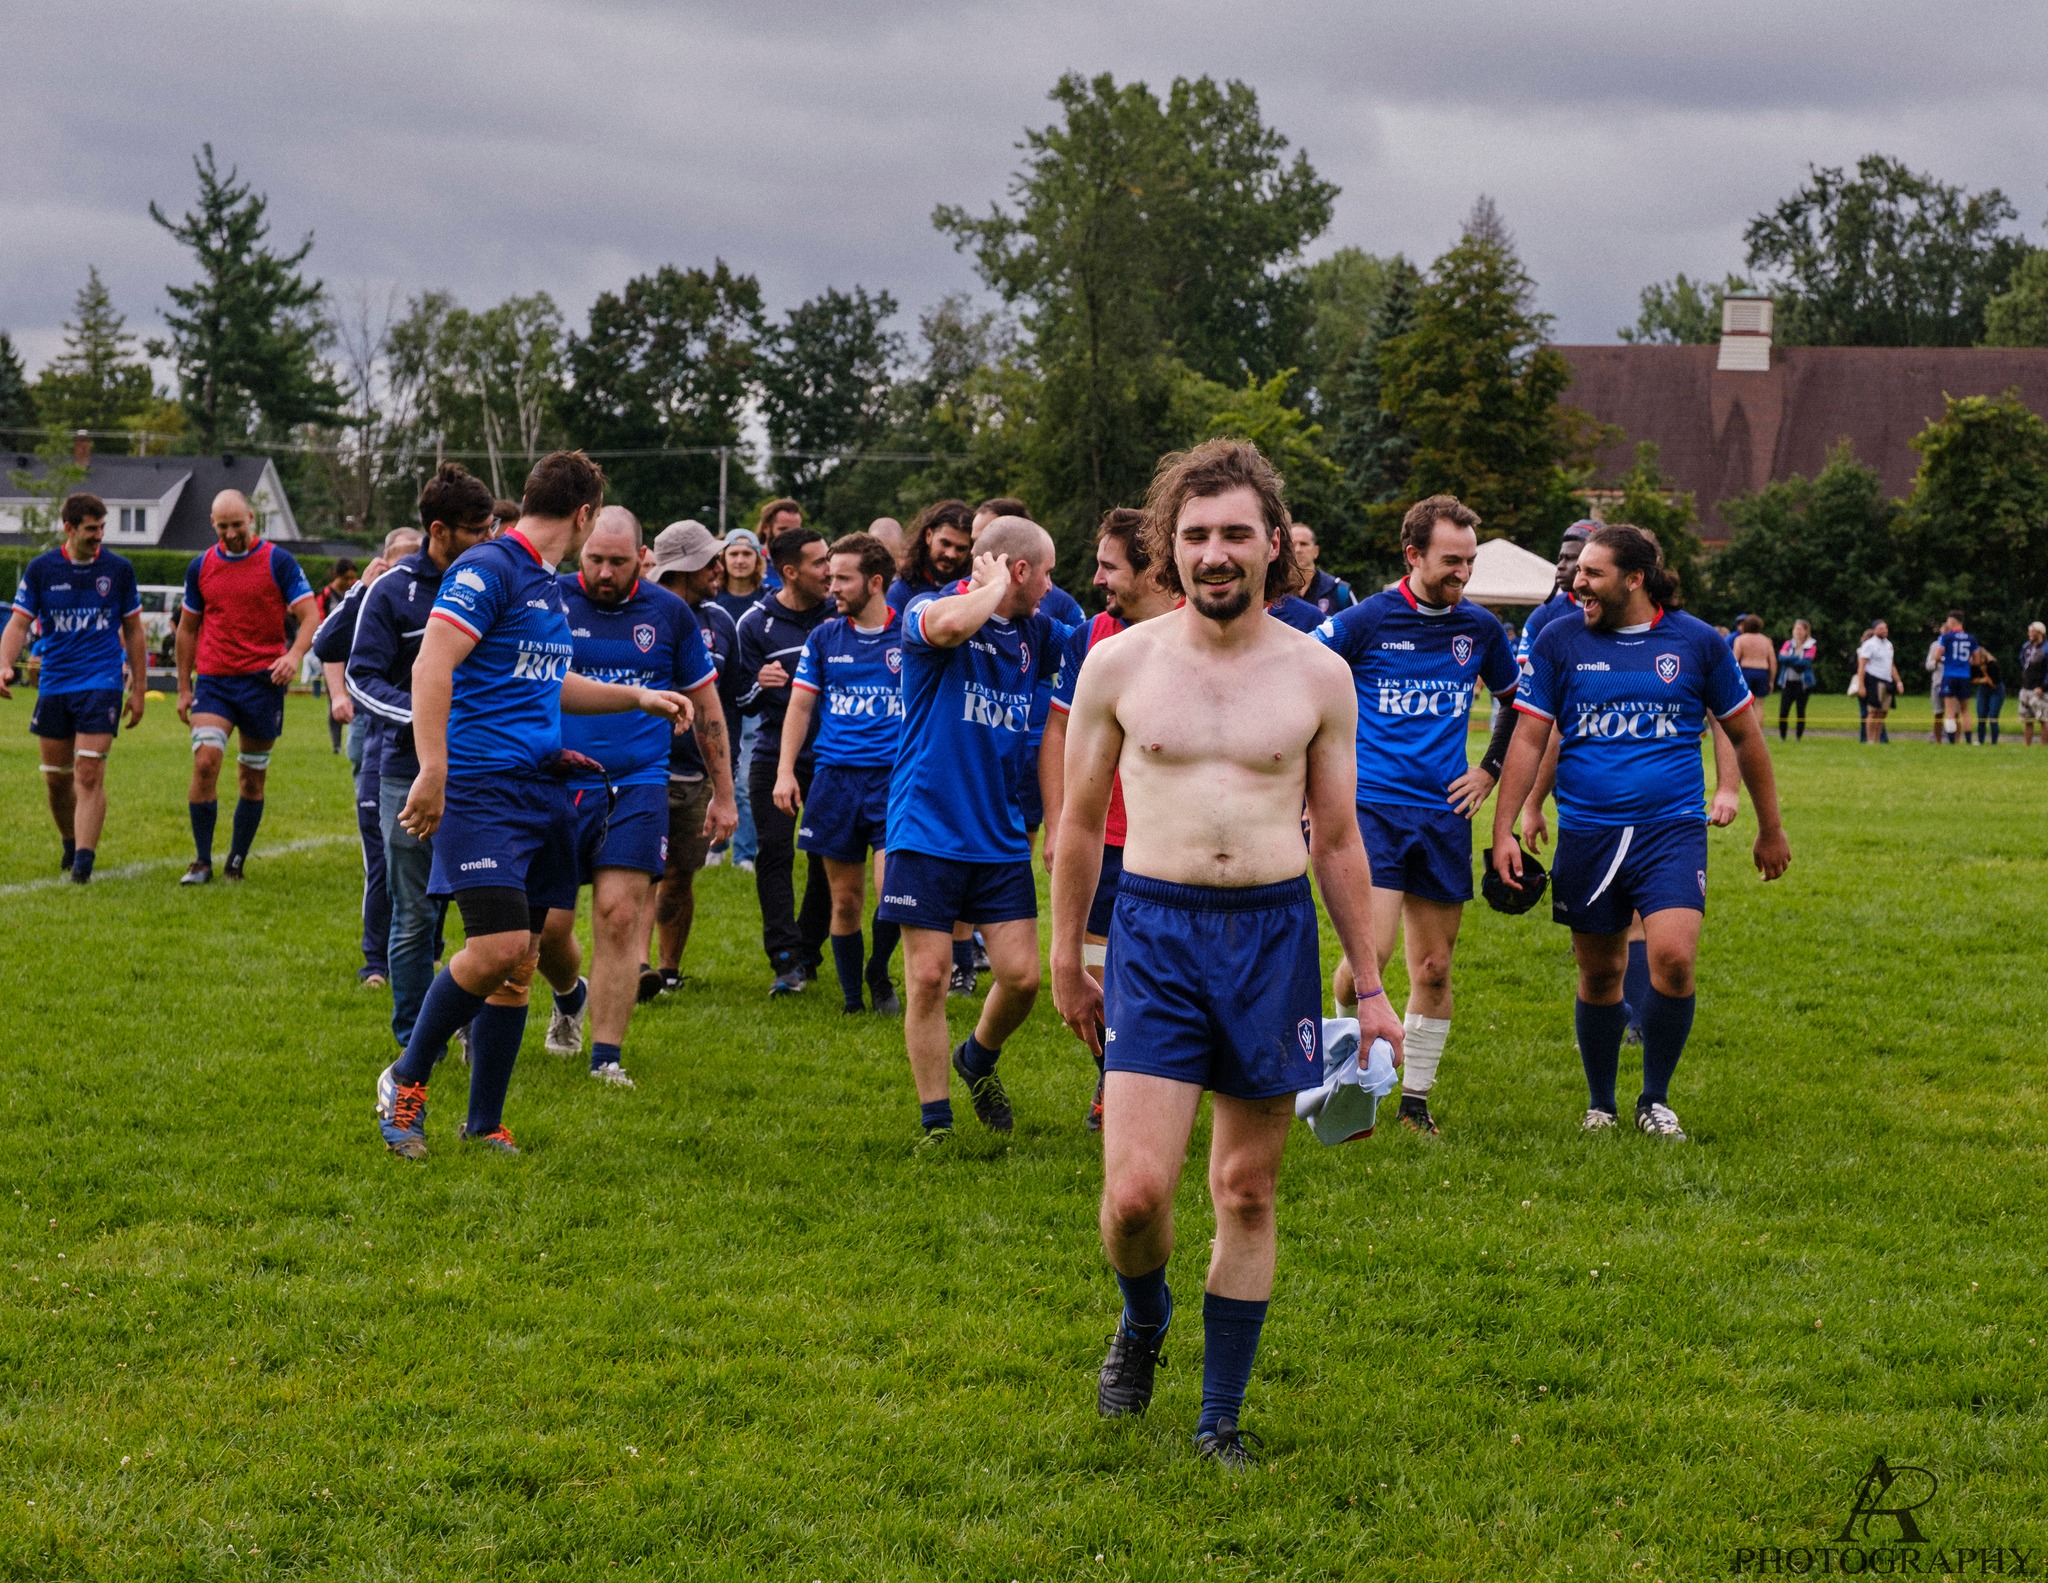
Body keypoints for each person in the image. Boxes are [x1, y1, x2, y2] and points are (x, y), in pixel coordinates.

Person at [1049, 437, 1401, 1468]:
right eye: (1195, 534)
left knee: (1244, 1190)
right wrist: (1068, 958)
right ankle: (1144, 1313)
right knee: (1135, 1197)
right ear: (1168, 546)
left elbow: (1336, 838)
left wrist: (1370, 986)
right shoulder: (1118, 661)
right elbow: (1074, 826)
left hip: (1270, 937)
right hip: (1153, 936)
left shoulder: (1318, 673)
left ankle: (1218, 1416)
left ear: (1273, 546)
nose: (1214, 552)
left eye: (1235, 533)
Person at [374, 450, 691, 1160]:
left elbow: (550, 681)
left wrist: (637, 695)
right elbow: (432, 664)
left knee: (525, 961)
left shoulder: (544, 587)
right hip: (483, 789)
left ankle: (484, 1122)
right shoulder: (489, 569)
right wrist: (434, 768)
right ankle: (405, 1079)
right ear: (583, 516)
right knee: (496, 948)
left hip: (542, 786)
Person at [1491, 524, 1790, 1142]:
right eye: (1579, 572)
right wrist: (1506, 828)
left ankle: (1655, 1099)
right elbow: (1530, 737)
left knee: (1673, 961)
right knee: (1599, 975)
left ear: (1636, 578)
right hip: (1589, 835)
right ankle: (1601, 1102)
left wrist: (1770, 827)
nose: (1578, 582)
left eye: (1593, 573)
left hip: (1671, 831)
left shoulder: (1698, 643)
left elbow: (1744, 735)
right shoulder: (1558, 639)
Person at [1314, 494, 1522, 1136]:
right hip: (1370, 810)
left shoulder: (1481, 630)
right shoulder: (1365, 620)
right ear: (1413, 555)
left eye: (1470, 562)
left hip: (1442, 817)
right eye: (1450, 561)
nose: (1463, 574)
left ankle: (1415, 1102)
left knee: (1433, 967)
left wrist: (1487, 769)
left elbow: (1517, 704)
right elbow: (1300, 678)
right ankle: (1344, 1054)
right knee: (1368, 956)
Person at [878, 515, 1073, 1147]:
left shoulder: (1037, 633)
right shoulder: (930, 611)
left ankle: (978, 1057)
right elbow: (955, 624)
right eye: (1043, 573)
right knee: (929, 977)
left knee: (1022, 979)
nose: (1050, 586)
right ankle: (936, 1121)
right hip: (926, 827)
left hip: (998, 835)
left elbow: (1101, 647)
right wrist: (985, 586)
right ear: (1018, 570)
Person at [535, 506, 728, 1087]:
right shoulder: (550, 600)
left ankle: (606, 1058)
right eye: (595, 559)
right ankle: (570, 995)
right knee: (546, 927)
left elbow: (708, 708)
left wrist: (725, 793)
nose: (605, 572)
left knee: (619, 916)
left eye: (619, 562)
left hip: (639, 784)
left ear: (642, 559)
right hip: (557, 781)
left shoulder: (669, 614)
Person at [1040, 507, 1180, 1132]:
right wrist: (1058, 818)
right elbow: (1058, 729)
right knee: (1100, 986)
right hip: (1105, 839)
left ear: (1152, 571)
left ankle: (1146, 1084)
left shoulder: (1202, 634)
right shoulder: (1089, 635)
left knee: (1162, 978)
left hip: (1172, 845)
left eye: (1108, 565)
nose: (1097, 578)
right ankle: (1113, 1080)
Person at [347, 466, 497, 1052]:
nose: (489, 539)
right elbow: (361, 678)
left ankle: (471, 1029)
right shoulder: (392, 592)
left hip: (486, 774)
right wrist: (427, 714)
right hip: (407, 776)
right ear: (440, 530)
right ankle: (417, 1039)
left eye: (492, 528)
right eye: (476, 530)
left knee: (487, 918)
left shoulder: (496, 585)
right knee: (413, 916)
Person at [773, 531, 905, 1015]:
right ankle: (854, 1001)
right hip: (835, 780)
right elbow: (801, 706)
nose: (832, 588)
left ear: (874, 582)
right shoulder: (825, 637)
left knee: (892, 892)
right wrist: (786, 771)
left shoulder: (909, 637)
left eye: (842, 579)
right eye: (830, 578)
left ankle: (878, 971)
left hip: (894, 781)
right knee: (844, 901)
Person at [174, 489, 319, 884]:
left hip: (262, 681)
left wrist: (293, 656)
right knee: (205, 762)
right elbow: (187, 629)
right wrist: (184, 688)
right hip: (216, 681)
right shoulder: (200, 566)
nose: (231, 533)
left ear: (251, 518)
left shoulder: (278, 561)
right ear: (212, 524)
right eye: (223, 527)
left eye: (237, 524)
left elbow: (310, 615)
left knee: (251, 777)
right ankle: (202, 861)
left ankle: (235, 861)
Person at [0, 491, 146, 883]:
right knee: (55, 778)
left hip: (101, 681)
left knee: (88, 772)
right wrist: (2, 664)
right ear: (69, 528)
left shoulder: (118, 570)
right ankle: (70, 840)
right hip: (55, 683)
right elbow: (18, 623)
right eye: (91, 529)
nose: (99, 536)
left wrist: (138, 688)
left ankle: (83, 864)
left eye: (102, 528)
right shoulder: (42, 569)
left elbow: (133, 629)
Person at [313, 529, 419, 986]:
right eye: (398, 564)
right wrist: (362, 591)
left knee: (422, 865)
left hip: (431, 747)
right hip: (380, 743)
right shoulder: (375, 598)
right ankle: (375, 961)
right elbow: (330, 648)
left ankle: (423, 952)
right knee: (380, 857)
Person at [735, 526, 835, 994]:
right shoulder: (754, 624)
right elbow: (740, 699)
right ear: (789, 572)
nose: (829, 569)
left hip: (833, 758)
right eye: (819, 563)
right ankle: (785, 958)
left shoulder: (840, 615)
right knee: (774, 853)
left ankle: (809, 950)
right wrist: (762, 684)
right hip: (774, 754)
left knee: (826, 860)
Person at [648, 520, 744, 987]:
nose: (719, 568)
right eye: (711, 561)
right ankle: (633, 966)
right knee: (639, 874)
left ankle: (668, 970)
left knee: (679, 878)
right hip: (644, 770)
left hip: (696, 774)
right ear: (686, 566)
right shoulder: (644, 613)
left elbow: (728, 702)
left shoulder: (721, 620)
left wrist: (724, 776)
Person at [887, 499, 975, 617]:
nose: (951, 554)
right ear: (929, 536)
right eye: (945, 543)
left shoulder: (975, 592)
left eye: (960, 548)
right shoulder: (900, 593)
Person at [1289, 523, 1356, 614]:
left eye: (1303, 544)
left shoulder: (1338, 591)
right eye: (1292, 544)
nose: (1298, 550)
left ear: (1316, 551)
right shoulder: (1273, 593)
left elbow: (1359, 626)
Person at [1855, 620, 1899, 744]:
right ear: (1874, 630)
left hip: (1887, 681)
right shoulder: (1869, 644)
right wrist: (1861, 685)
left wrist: (1898, 682)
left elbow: (1891, 665)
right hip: (1874, 680)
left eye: (1885, 628)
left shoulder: (1889, 645)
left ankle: (1877, 739)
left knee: (1882, 713)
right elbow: (1862, 666)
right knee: (1873, 712)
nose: (1884, 630)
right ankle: (1870, 740)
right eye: (1880, 628)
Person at [1936, 611, 1977, 744]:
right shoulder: (1971, 638)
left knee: (1950, 710)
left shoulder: (1947, 637)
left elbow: (1937, 656)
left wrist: (1945, 660)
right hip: (1965, 675)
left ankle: (1952, 741)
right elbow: (1976, 659)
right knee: (1965, 710)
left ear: (1952, 622)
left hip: (1950, 675)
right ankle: (1969, 740)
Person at [1777, 620, 1816, 740]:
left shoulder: (1811, 645)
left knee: (1800, 711)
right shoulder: (1788, 644)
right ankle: (1782, 736)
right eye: (1796, 628)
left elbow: (1805, 663)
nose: (1797, 631)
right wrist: (1795, 657)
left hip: (1802, 683)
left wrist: (1789, 659)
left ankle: (1798, 736)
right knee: (1784, 710)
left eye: (1800, 629)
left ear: (1806, 631)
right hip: (1787, 682)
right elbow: (1780, 658)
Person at [1731, 615, 1775, 700]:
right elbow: (1773, 662)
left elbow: (1734, 659)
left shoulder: (1740, 639)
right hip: (1762, 672)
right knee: (1759, 704)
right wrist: (1771, 680)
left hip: (1746, 672)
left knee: (1745, 702)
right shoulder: (1766, 640)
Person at [2018, 622, 2047, 746]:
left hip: (2039, 689)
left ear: (2040, 632)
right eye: (2029, 631)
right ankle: (2027, 745)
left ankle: (2044, 746)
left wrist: (2043, 686)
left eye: (2032, 631)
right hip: (2026, 688)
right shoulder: (2026, 646)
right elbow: (2022, 661)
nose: (2029, 633)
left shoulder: (2046, 648)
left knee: (2043, 718)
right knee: (2027, 719)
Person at [1972, 644, 2005, 745]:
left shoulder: (1993, 665)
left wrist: (1984, 672)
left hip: (1996, 691)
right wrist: (1983, 680)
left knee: (1993, 716)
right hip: (1983, 690)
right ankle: (1980, 740)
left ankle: (1994, 742)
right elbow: (1973, 680)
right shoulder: (1974, 666)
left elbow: (1993, 684)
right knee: (1981, 715)